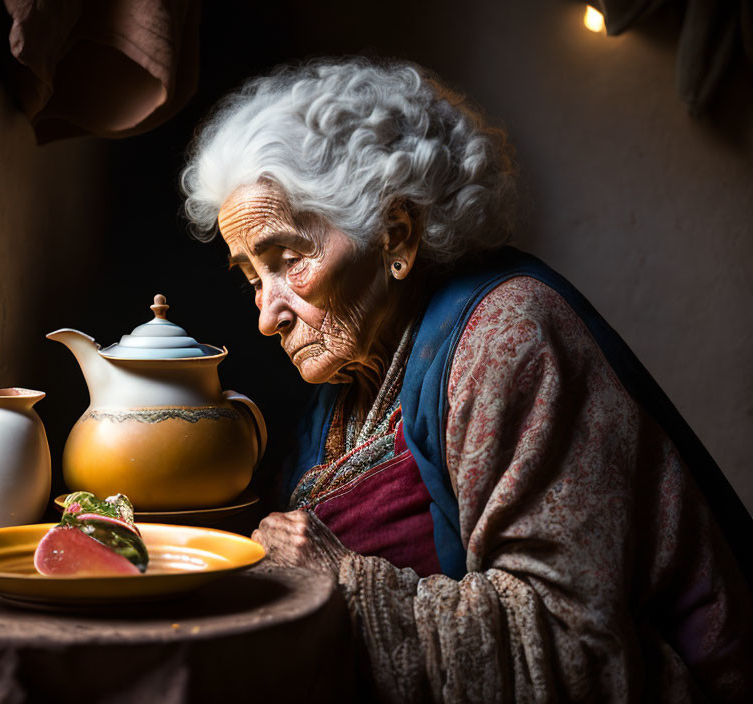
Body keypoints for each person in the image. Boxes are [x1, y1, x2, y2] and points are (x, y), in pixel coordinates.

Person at [180, 58, 753, 702]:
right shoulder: (345, 378)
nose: (266, 315)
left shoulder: (510, 337)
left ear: (395, 233)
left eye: (288, 261)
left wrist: (337, 580)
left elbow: (572, 650)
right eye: (252, 278)